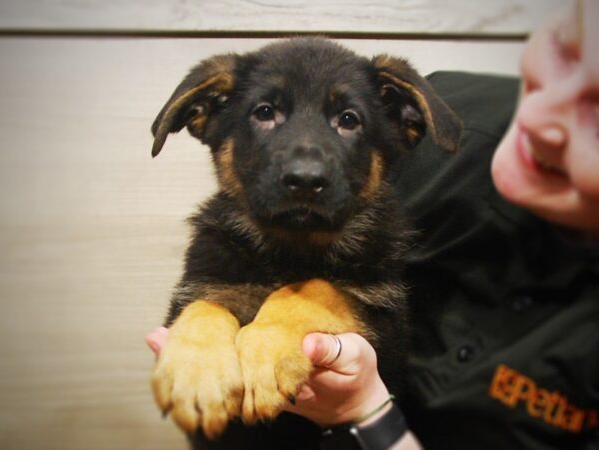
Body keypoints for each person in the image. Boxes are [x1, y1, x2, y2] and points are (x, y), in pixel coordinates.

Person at [147, 0, 599, 448]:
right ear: (207, 119)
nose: (306, 168)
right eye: (265, 113)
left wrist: (357, 400)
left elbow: (378, 323)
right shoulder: (215, 248)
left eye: (347, 120)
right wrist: (203, 327)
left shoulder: (378, 245)